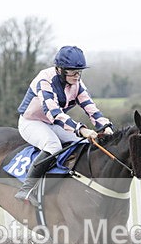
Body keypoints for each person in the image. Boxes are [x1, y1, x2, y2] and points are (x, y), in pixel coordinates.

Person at [15, 45, 114, 207]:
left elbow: (91, 109)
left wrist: (105, 126)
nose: (77, 75)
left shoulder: (77, 83)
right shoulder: (45, 80)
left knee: (84, 144)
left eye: (80, 71)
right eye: (73, 71)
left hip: (52, 123)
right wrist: (82, 129)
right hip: (31, 122)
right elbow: (55, 113)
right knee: (53, 145)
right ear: (60, 70)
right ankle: (26, 189)